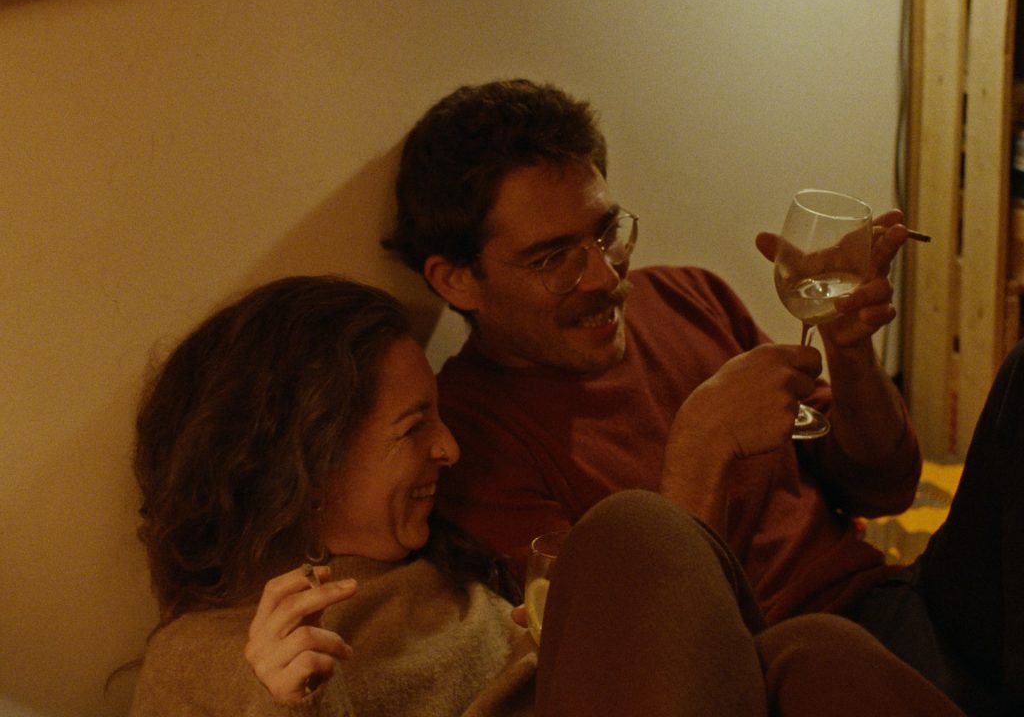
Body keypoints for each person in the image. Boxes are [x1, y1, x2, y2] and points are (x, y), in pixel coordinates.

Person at [384, 78, 1022, 715]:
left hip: (894, 608)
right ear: (457, 281)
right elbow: (629, 667)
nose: (605, 275)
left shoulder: (687, 295)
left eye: (605, 234)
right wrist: (702, 447)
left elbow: (883, 488)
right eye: (554, 259)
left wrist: (849, 348)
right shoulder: (465, 439)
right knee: (818, 649)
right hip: (765, 676)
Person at [127, 275, 962, 716]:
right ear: (308, 467)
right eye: (415, 428)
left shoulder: (438, 566)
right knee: (633, 529)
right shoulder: (206, 656)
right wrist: (286, 707)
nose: (448, 449)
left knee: (815, 651)